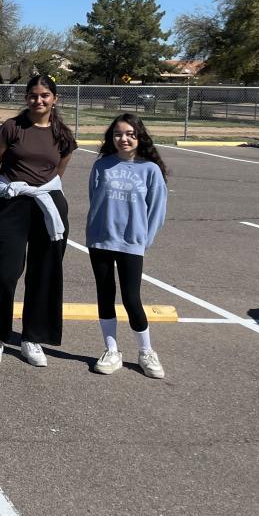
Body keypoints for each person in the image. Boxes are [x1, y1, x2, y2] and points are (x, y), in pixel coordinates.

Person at [0, 74, 77, 367]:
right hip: (13, 203)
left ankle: (32, 338)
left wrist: (42, 190)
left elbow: (59, 170)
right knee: (6, 271)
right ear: (26, 98)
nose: (39, 100)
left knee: (44, 272)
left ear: (54, 99)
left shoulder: (62, 134)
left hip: (48, 205)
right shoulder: (12, 128)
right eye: (33, 95)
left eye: (45, 95)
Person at [86, 113, 169, 379]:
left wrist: (144, 239)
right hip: (100, 240)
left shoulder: (150, 170)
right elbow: (94, 198)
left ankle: (146, 352)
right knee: (105, 294)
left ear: (139, 137)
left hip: (132, 243)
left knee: (132, 298)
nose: (124, 139)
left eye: (130, 134)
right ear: (111, 137)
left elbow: (157, 210)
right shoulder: (102, 165)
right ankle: (112, 350)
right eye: (118, 134)